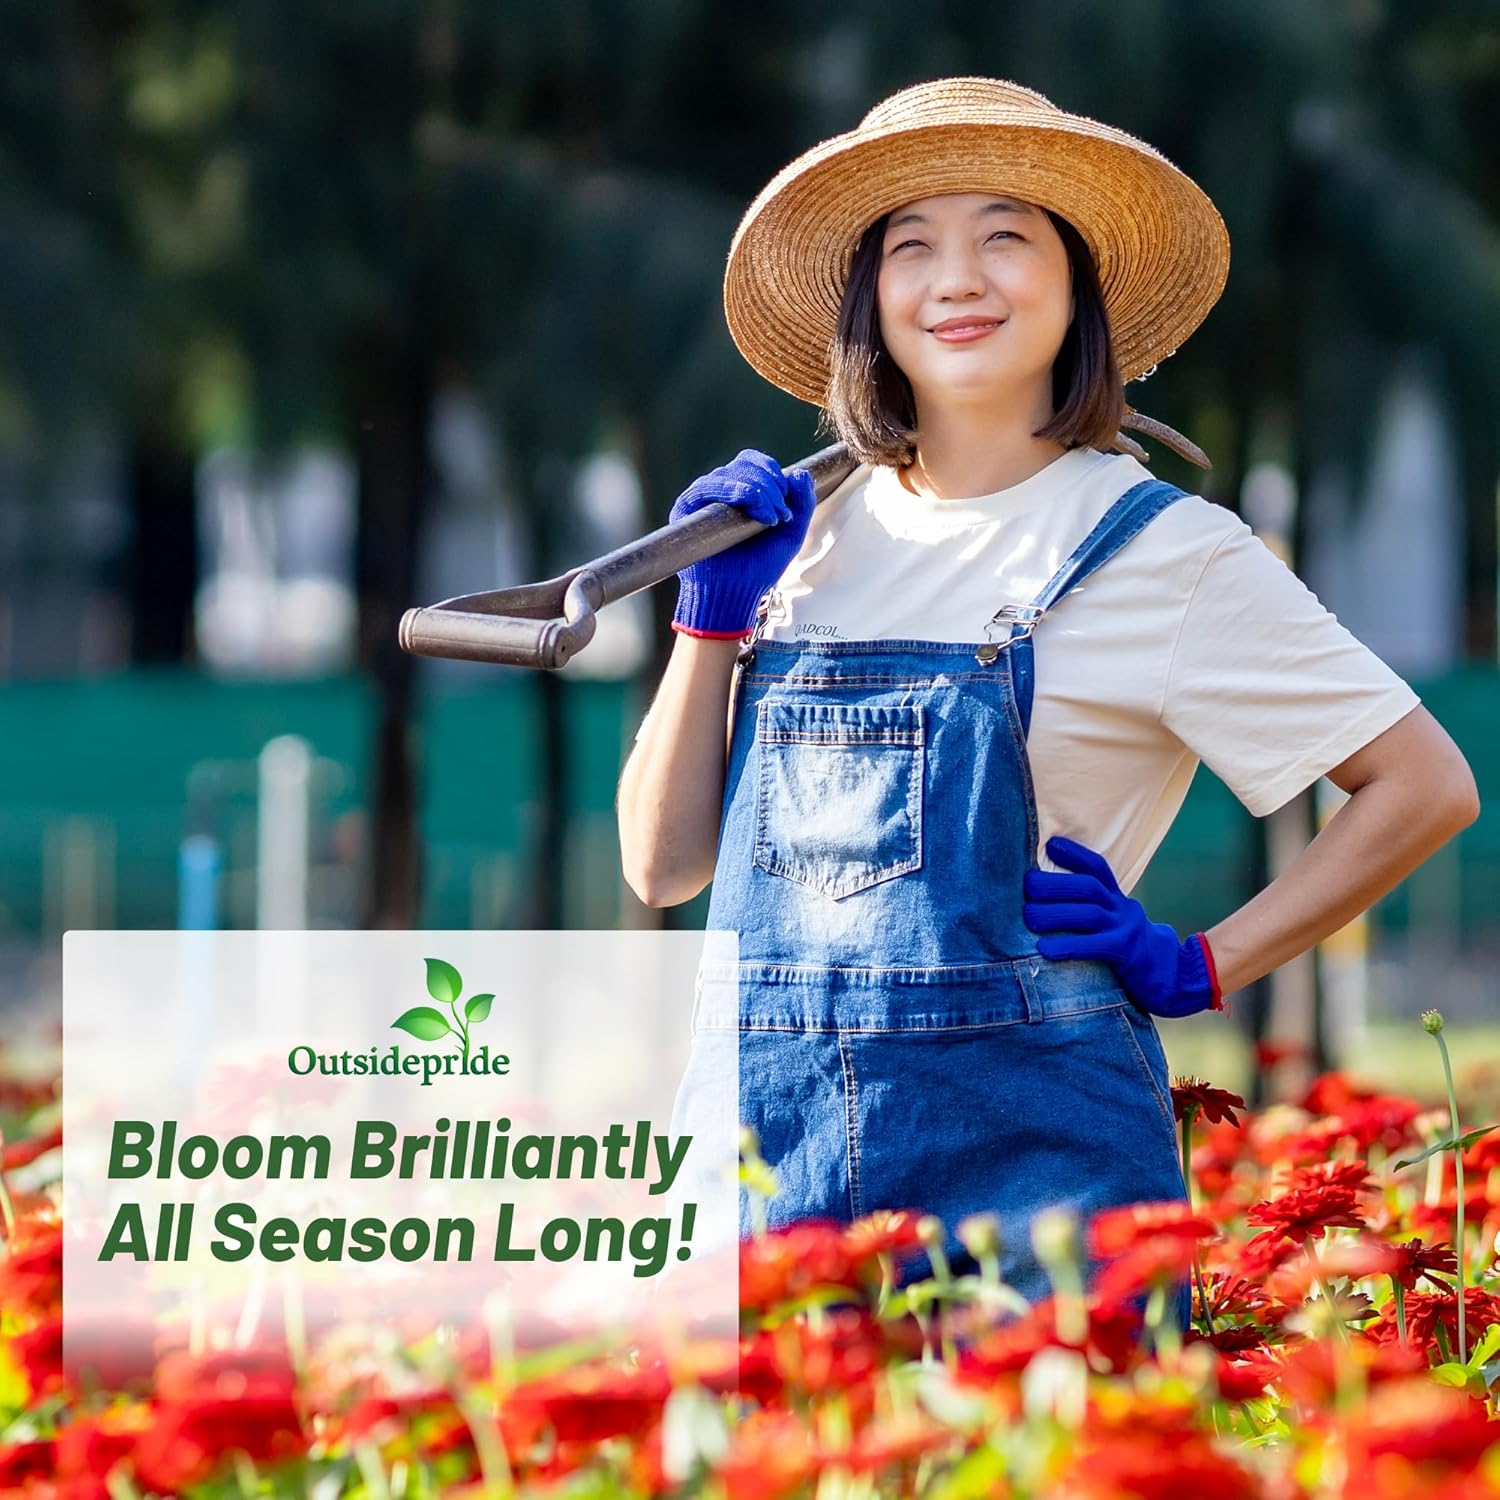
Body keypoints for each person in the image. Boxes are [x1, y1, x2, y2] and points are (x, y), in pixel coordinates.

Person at [615, 78, 1479, 1320]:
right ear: (872, 304)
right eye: (911, 248)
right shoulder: (801, 539)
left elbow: (1425, 785)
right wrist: (708, 622)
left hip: (1038, 1184)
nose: (955, 279)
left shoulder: (1164, 549)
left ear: (1077, 287)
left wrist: (1200, 962)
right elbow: (659, 865)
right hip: (766, 1158)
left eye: (1004, 238)